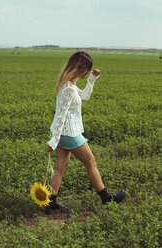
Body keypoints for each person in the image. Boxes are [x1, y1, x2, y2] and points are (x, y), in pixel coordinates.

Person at [45, 51, 127, 214]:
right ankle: (106, 198)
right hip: (69, 134)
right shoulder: (68, 89)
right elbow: (61, 115)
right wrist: (54, 140)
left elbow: (85, 96)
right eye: (86, 70)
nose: (87, 72)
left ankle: (50, 204)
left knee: (60, 167)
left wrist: (92, 79)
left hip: (64, 133)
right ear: (78, 68)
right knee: (91, 162)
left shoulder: (70, 86)